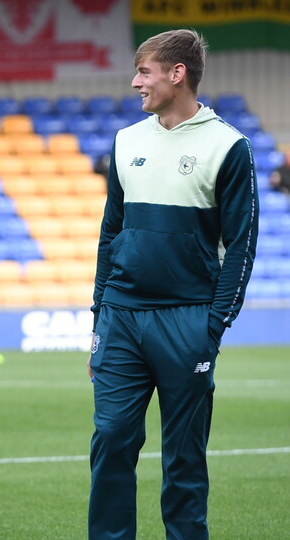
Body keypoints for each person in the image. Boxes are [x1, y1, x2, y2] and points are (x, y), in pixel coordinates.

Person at [87, 29, 258, 539]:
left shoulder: (229, 146)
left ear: (176, 73)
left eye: (144, 71)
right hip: (121, 317)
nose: (135, 82)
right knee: (111, 438)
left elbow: (242, 245)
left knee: (184, 455)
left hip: (188, 318)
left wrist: (214, 326)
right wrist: (98, 315)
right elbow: (110, 232)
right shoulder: (126, 140)